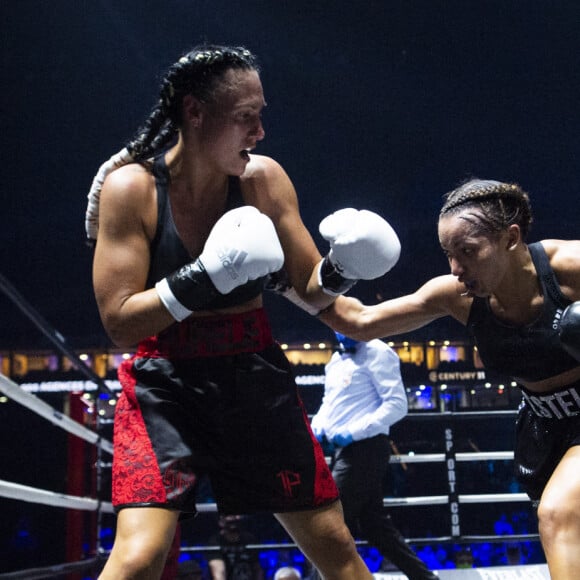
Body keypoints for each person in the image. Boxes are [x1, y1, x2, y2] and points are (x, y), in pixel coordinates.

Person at [86, 43, 401, 580]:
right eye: (245, 118)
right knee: (137, 558)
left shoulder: (263, 180)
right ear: (194, 111)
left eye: (261, 116)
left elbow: (310, 287)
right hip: (165, 385)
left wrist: (344, 267)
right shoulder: (132, 188)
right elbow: (119, 321)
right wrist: (207, 275)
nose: (259, 133)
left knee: (334, 546)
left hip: (253, 376)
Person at [321, 178, 580, 580]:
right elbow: (358, 321)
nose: (456, 268)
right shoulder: (456, 296)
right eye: (448, 254)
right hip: (544, 430)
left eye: (468, 252)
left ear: (511, 238)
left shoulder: (570, 268)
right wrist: (305, 275)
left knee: (559, 515)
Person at [310, 332, 437, 580]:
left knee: (328, 521)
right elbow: (329, 403)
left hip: (366, 449)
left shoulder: (378, 351)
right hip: (341, 451)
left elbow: (397, 404)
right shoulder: (335, 361)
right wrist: (318, 426)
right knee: (375, 527)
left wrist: (353, 432)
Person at [207, 515, 263, 580]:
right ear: (221, 521)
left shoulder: (249, 539)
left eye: (235, 514)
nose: (233, 518)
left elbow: (257, 568)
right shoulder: (215, 541)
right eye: (229, 515)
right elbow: (219, 572)